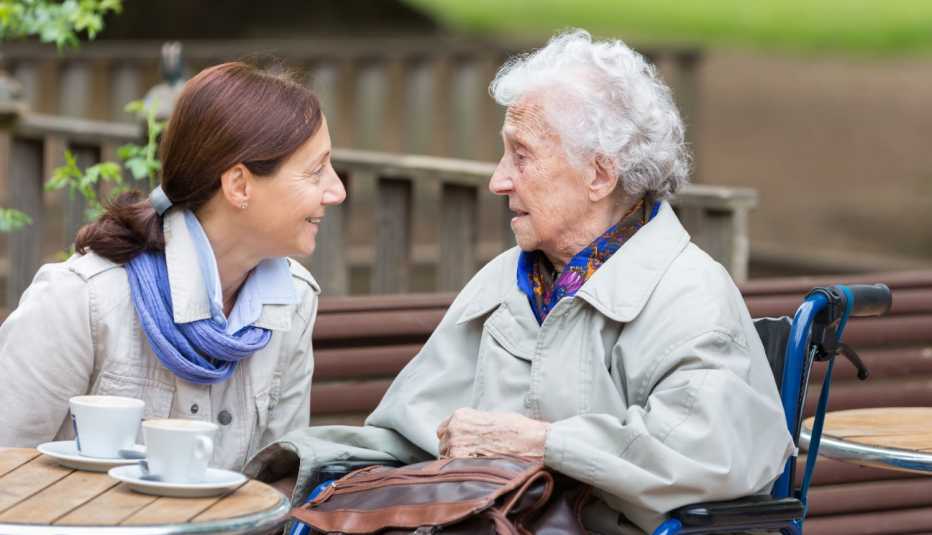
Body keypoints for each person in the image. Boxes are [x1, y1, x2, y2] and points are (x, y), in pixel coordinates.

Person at [246, 30, 794, 534]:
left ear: (599, 175)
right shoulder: (506, 281)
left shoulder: (688, 294)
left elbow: (712, 457)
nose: (497, 179)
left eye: (522, 155)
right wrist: (290, 475)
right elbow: (407, 440)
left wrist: (542, 444)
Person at [0, 61, 346, 471]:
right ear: (239, 186)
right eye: (315, 171)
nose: (337, 190)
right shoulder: (81, 299)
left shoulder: (294, 300)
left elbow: (276, 484)